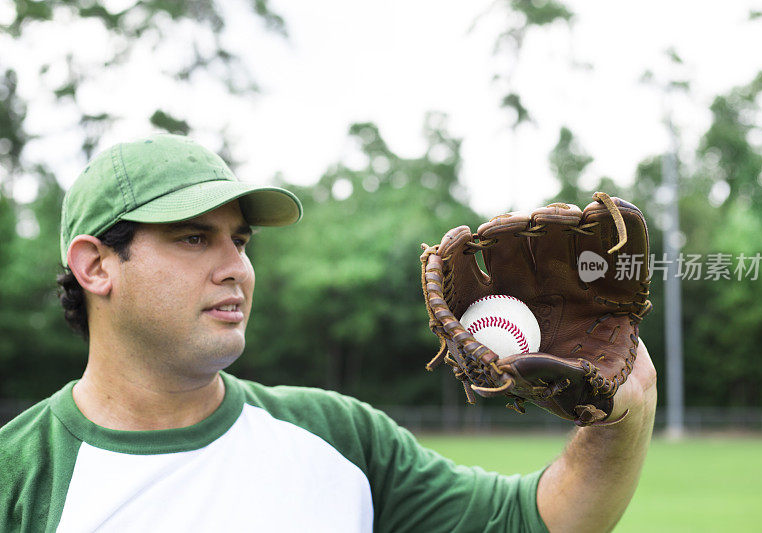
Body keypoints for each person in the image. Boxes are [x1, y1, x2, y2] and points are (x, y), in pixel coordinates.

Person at [0, 134, 656, 532]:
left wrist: (624, 413)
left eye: (241, 241)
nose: (237, 268)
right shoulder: (17, 477)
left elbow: (537, 520)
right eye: (195, 237)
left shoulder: (340, 437)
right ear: (95, 265)